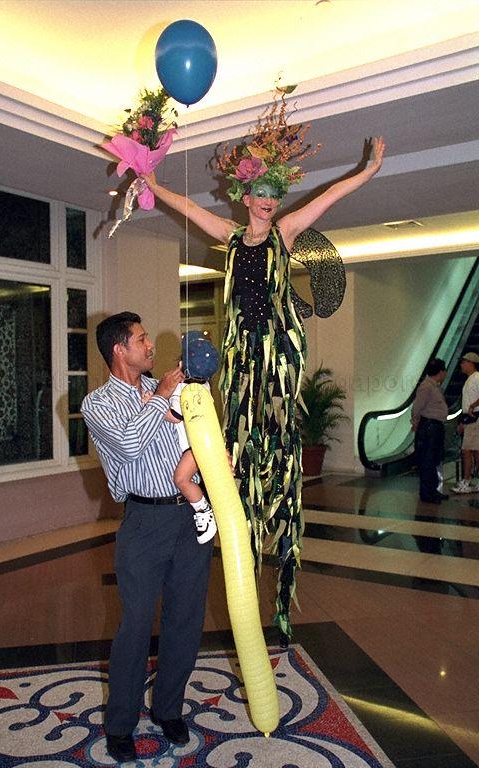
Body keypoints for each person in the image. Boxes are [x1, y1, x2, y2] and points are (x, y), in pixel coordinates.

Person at [142, 91, 385, 642]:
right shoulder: (229, 238)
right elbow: (186, 208)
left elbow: (330, 197)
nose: (269, 202)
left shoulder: (286, 233)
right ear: (245, 196)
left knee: (275, 428)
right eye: (261, 194)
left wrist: (367, 170)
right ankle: (238, 517)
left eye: (276, 195)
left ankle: (275, 521)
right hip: (242, 353)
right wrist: (152, 184)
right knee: (243, 435)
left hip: (276, 349)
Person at [81, 312, 213, 763]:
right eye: (140, 339)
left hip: (187, 518)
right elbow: (131, 444)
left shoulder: (165, 389)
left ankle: (169, 711)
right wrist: (160, 396)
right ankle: (120, 724)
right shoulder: (97, 404)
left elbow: (196, 436)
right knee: (135, 627)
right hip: (144, 523)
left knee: (185, 620)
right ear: (119, 350)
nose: (149, 345)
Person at [144, 330, 220, 544]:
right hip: (205, 443)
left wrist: (153, 400)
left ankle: (203, 510)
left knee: (181, 479)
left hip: (193, 447)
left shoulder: (182, 390)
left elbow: (175, 417)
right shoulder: (203, 385)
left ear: (181, 365)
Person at [411, 358, 449, 504]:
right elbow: (417, 408)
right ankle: (427, 493)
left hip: (435, 427)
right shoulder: (426, 387)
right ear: (440, 372)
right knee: (427, 460)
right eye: (444, 370)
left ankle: (433, 491)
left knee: (433, 460)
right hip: (429, 427)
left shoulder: (434, 386)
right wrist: (415, 422)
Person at [452, 351, 479, 493]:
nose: (461, 365)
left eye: (464, 362)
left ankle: (467, 481)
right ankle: (470, 481)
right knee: (474, 451)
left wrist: (473, 406)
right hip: (470, 419)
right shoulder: (470, 379)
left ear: (470, 363)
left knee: (467, 450)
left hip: (475, 418)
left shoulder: (476, 378)